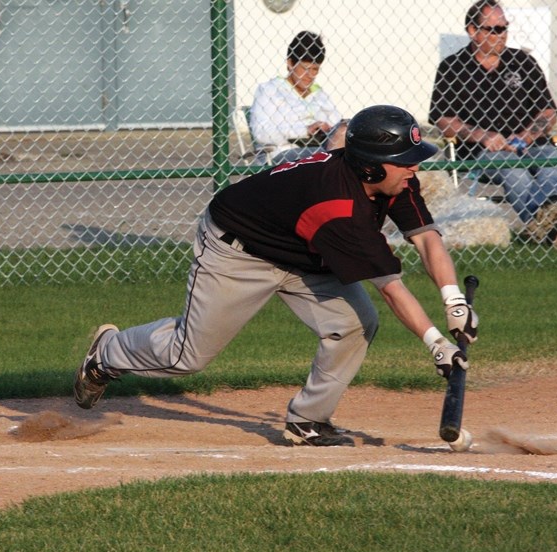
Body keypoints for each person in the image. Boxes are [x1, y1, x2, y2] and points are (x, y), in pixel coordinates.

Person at [73, 105, 479, 448]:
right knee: (187, 356)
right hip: (240, 250)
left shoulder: (395, 182)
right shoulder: (339, 208)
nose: (414, 168)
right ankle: (108, 352)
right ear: (371, 169)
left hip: (304, 250)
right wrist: (436, 344)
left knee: (354, 324)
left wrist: (453, 300)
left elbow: (426, 240)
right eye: (406, 161)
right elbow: (391, 288)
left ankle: (307, 421)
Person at [429, 0, 557, 248]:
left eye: (504, 28)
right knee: (515, 173)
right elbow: (444, 120)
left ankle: (548, 225)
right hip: (483, 151)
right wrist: (484, 137)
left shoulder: (522, 62)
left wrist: (525, 137)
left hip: (530, 143)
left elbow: (548, 111)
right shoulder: (453, 68)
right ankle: (547, 225)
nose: (501, 35)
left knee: (552, 164)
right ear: (472, 30)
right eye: (493, 29)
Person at [249, 31, 347, 164]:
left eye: (315, 69)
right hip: (280, 154)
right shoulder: (269, 90)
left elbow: (336, 125)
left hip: (320, 149)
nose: (310, 75)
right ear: (290, 63)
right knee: (332, 157)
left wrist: (326, 127)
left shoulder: (318, 94)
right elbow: (261, 133)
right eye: (305, 68)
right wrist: (304, 130)